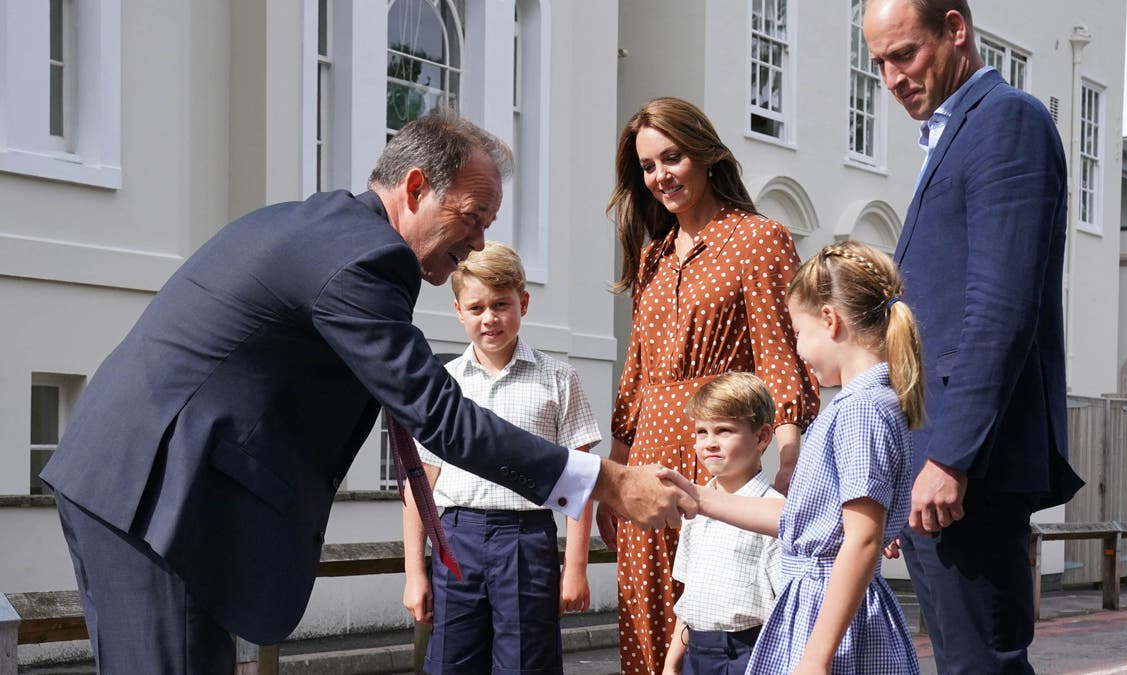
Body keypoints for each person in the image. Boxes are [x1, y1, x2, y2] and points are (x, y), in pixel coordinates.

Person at [38, 110, 693, 674]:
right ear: (415, 188)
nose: (479, 242)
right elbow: (440, 415)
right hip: (154, 495)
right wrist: (608, 481)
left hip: (135, 482)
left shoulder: (330, 229)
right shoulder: (363, 260)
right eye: (472, 216)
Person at [862, 1, 1086, 672]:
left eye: (904, 53)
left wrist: (950, 457)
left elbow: (1000, 306)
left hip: (972, 470)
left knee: (980, 664)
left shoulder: (1007, 121)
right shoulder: (955, 132)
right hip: (938, 464)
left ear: (955, 29)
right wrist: (906, 467)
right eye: (879, 62)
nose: (892, 77)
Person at [601, 96, 821, 674]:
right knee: (647, 619)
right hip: (648, 459)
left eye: (671, 158)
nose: (660, 177)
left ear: (704, 155)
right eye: (647, 166)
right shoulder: (651, 258)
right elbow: (637, 375)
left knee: (730, 615)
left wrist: (791, 457)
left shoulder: (756, 238)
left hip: (717, 459)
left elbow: (781, 353)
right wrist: (616, 473)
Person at [662, 241, 923, 674]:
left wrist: (816, 658)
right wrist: (700, 498)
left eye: (798, 334)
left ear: (830, 320)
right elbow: (801, 522)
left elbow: (860, 540)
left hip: (830, 619)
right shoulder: (860, 405)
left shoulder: (859, 411)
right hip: (822, 608)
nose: (798, 350)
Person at [400, 241, 601, 674]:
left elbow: (581, 482)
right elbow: (419, 484)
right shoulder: (442, 384)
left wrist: (576, 568)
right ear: (458, 311)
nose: (489, 318)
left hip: (525, 541)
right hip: (456, 539)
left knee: (525, 663)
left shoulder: (558, 379)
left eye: (500, 304)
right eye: (476, 308)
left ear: (523, 303)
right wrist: (414, 572)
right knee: (451, 662)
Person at [662, 372, 782, 675]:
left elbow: (787, 604)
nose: (709, 443)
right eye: (702, 432)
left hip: (748, 653)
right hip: (696, 651)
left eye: (724, 431)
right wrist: (672, 661)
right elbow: (689, 594)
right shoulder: (695, 507)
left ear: (762, 436)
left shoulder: (774, 514)